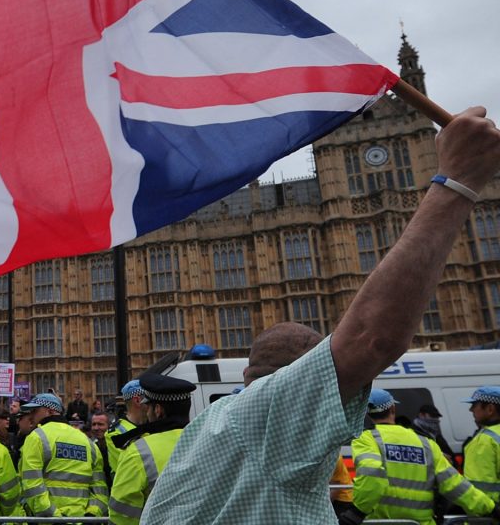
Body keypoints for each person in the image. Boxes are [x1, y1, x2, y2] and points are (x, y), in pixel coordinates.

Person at [140, 107, 500, 525]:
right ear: (303, 379)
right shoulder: (269, 415)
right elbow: (370, 339)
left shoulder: (206, 430)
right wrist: (457, 181)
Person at [345, 389, 497, 524]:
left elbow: (372, 474)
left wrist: (357, 512)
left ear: (366, 412)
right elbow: (454, 484)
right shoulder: (425, 442)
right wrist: (490, 508)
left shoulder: (366, 438)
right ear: (392, 408)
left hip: (380, 522)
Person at [108, 374, 196, 525]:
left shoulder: (138, 452)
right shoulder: (207, 441)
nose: (147, 412)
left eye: (148, 407)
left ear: (158, 410)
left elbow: (121, 512)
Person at [19, 392, 107, 519]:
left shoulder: (36, 437)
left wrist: (53, 516)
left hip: (49, 520)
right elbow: (100, 489)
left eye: (34, 411)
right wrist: (91, 515)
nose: (31, 416)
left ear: (49, 411)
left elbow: (32, 485)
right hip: (83, 519)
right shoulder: (88, 442)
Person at [104, 379, 149, 485]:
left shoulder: (152, 425)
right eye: (148, 400)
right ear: (137, 400)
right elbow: (132, 467)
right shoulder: (115, 433)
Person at [464, 386, 500, 504]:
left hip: (490, 510)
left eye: (475, 405)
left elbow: (479, 489)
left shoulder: (485, 440)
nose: (471, 410)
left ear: (490, 409)